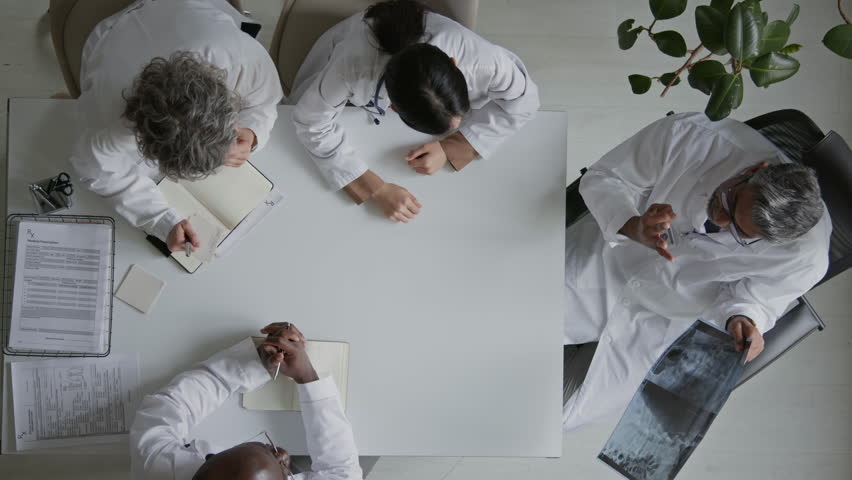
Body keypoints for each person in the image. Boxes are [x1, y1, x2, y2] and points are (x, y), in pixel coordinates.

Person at [562, 112, 832, 431]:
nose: (720, 221)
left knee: (553, 418)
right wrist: (632, 224)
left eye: (740, 233)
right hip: (608, 259)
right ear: (756, 171)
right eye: (729, 202)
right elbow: (604, 177)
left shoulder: (806, 256)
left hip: (666, 319)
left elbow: (757, 300)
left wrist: (743, 320)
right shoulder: (690, 136)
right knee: (501, 324)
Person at [291, 0, 540, 223]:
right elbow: (311, 121)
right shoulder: (352, 67)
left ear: (453, 64)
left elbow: (525, 101)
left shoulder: (483, 61)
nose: (456, 125)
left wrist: (451, 146)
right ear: (393, 107)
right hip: (355, 44)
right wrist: (376, 189)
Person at [70, 0, 282, 252]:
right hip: (113, 36)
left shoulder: (239, 56)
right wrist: (161, 219)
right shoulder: (110, 122)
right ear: (146, 145)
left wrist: (251, 132)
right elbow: (96, 170)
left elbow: (264, 98)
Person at [130, 322, 367, 479]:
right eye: (284, 470)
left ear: (210, 458)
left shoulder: (157, 467)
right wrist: (307, 377)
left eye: (266, 446)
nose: (281, 450)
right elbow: (344, 473)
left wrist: (255, 365)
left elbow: (172, 404)